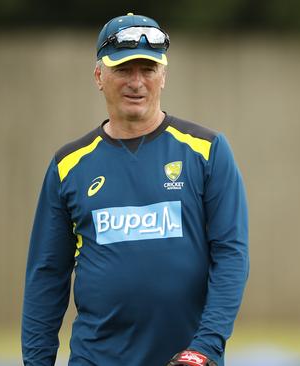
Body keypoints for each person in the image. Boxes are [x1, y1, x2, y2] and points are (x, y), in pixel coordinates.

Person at [21, 13, 248, 366]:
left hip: (186, 358)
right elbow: (46, 276)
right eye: (124, 69)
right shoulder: (68, 166)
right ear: (99, 76)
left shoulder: (206, 151)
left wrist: (206, 347)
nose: (136, 82)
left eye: (148, 69)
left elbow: (232, 256)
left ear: (164, 76)